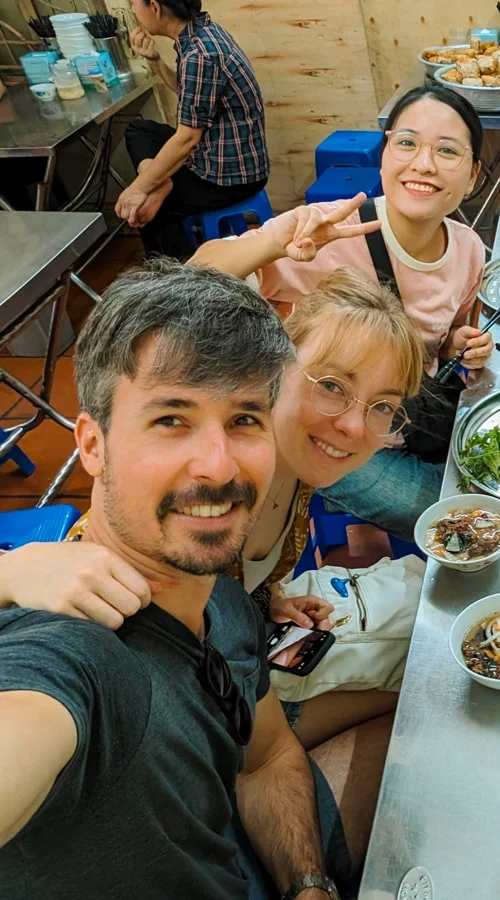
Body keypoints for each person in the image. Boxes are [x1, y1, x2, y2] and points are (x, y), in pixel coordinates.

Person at [0, 263, 366, 898]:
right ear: (93, 444)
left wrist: (309, 885)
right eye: (172, 419)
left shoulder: (223, 600)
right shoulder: (69, 655)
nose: (218, 465)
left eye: (245, 419)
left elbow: (266, 759)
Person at [0, 262, 424, 751]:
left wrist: (264, 603)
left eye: (382, 405)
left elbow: (223, 589)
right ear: (273, 372)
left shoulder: (296, 474)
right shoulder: (145, 546)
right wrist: (11, 571)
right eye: (331, 385)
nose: (353, 425)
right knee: (413, 680)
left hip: (243, 654)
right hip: (202, 701)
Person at [189, 83, 494, 538]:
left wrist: (457, 344)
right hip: (331, 435)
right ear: (385, 153)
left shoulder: (469, 249)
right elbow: (194, 279)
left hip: (408, 419)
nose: (423, 164)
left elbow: (444, 338)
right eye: (407, 143)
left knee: (496, 473)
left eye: (447, 151)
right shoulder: (327, 231)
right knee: (459, 518)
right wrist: (272, 244)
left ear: (472, 176)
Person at [117, 0, 268, 259]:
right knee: (139, 130)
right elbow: (194, 97)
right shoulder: (202, 32)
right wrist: (154, 61)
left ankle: (177, 280)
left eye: (133, 3)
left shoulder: (201, 54)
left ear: (154, 6)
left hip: (230, 177)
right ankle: (161, 183)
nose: (132, 10)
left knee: (148, 208)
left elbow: (187, 139)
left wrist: (139, 188)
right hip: (218, 155)